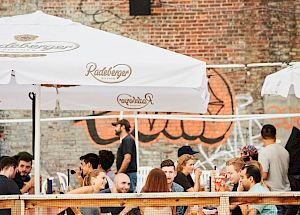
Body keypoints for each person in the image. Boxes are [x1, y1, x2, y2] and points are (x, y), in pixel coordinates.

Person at [258, 124, 290, 215]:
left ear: (262, 137)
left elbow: (264, 175)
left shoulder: (264, 152)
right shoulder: (285, 151)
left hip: (273, 195)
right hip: (287, 194)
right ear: (275, 135)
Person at [112, 119, 137, 192]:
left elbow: (127, 159)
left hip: (129, 175)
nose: (115, 129)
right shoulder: (126, 140)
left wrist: (119, 174)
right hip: (127, 175)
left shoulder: (127, 140)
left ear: (122, 127)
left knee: (129, 199)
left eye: (116, 126)